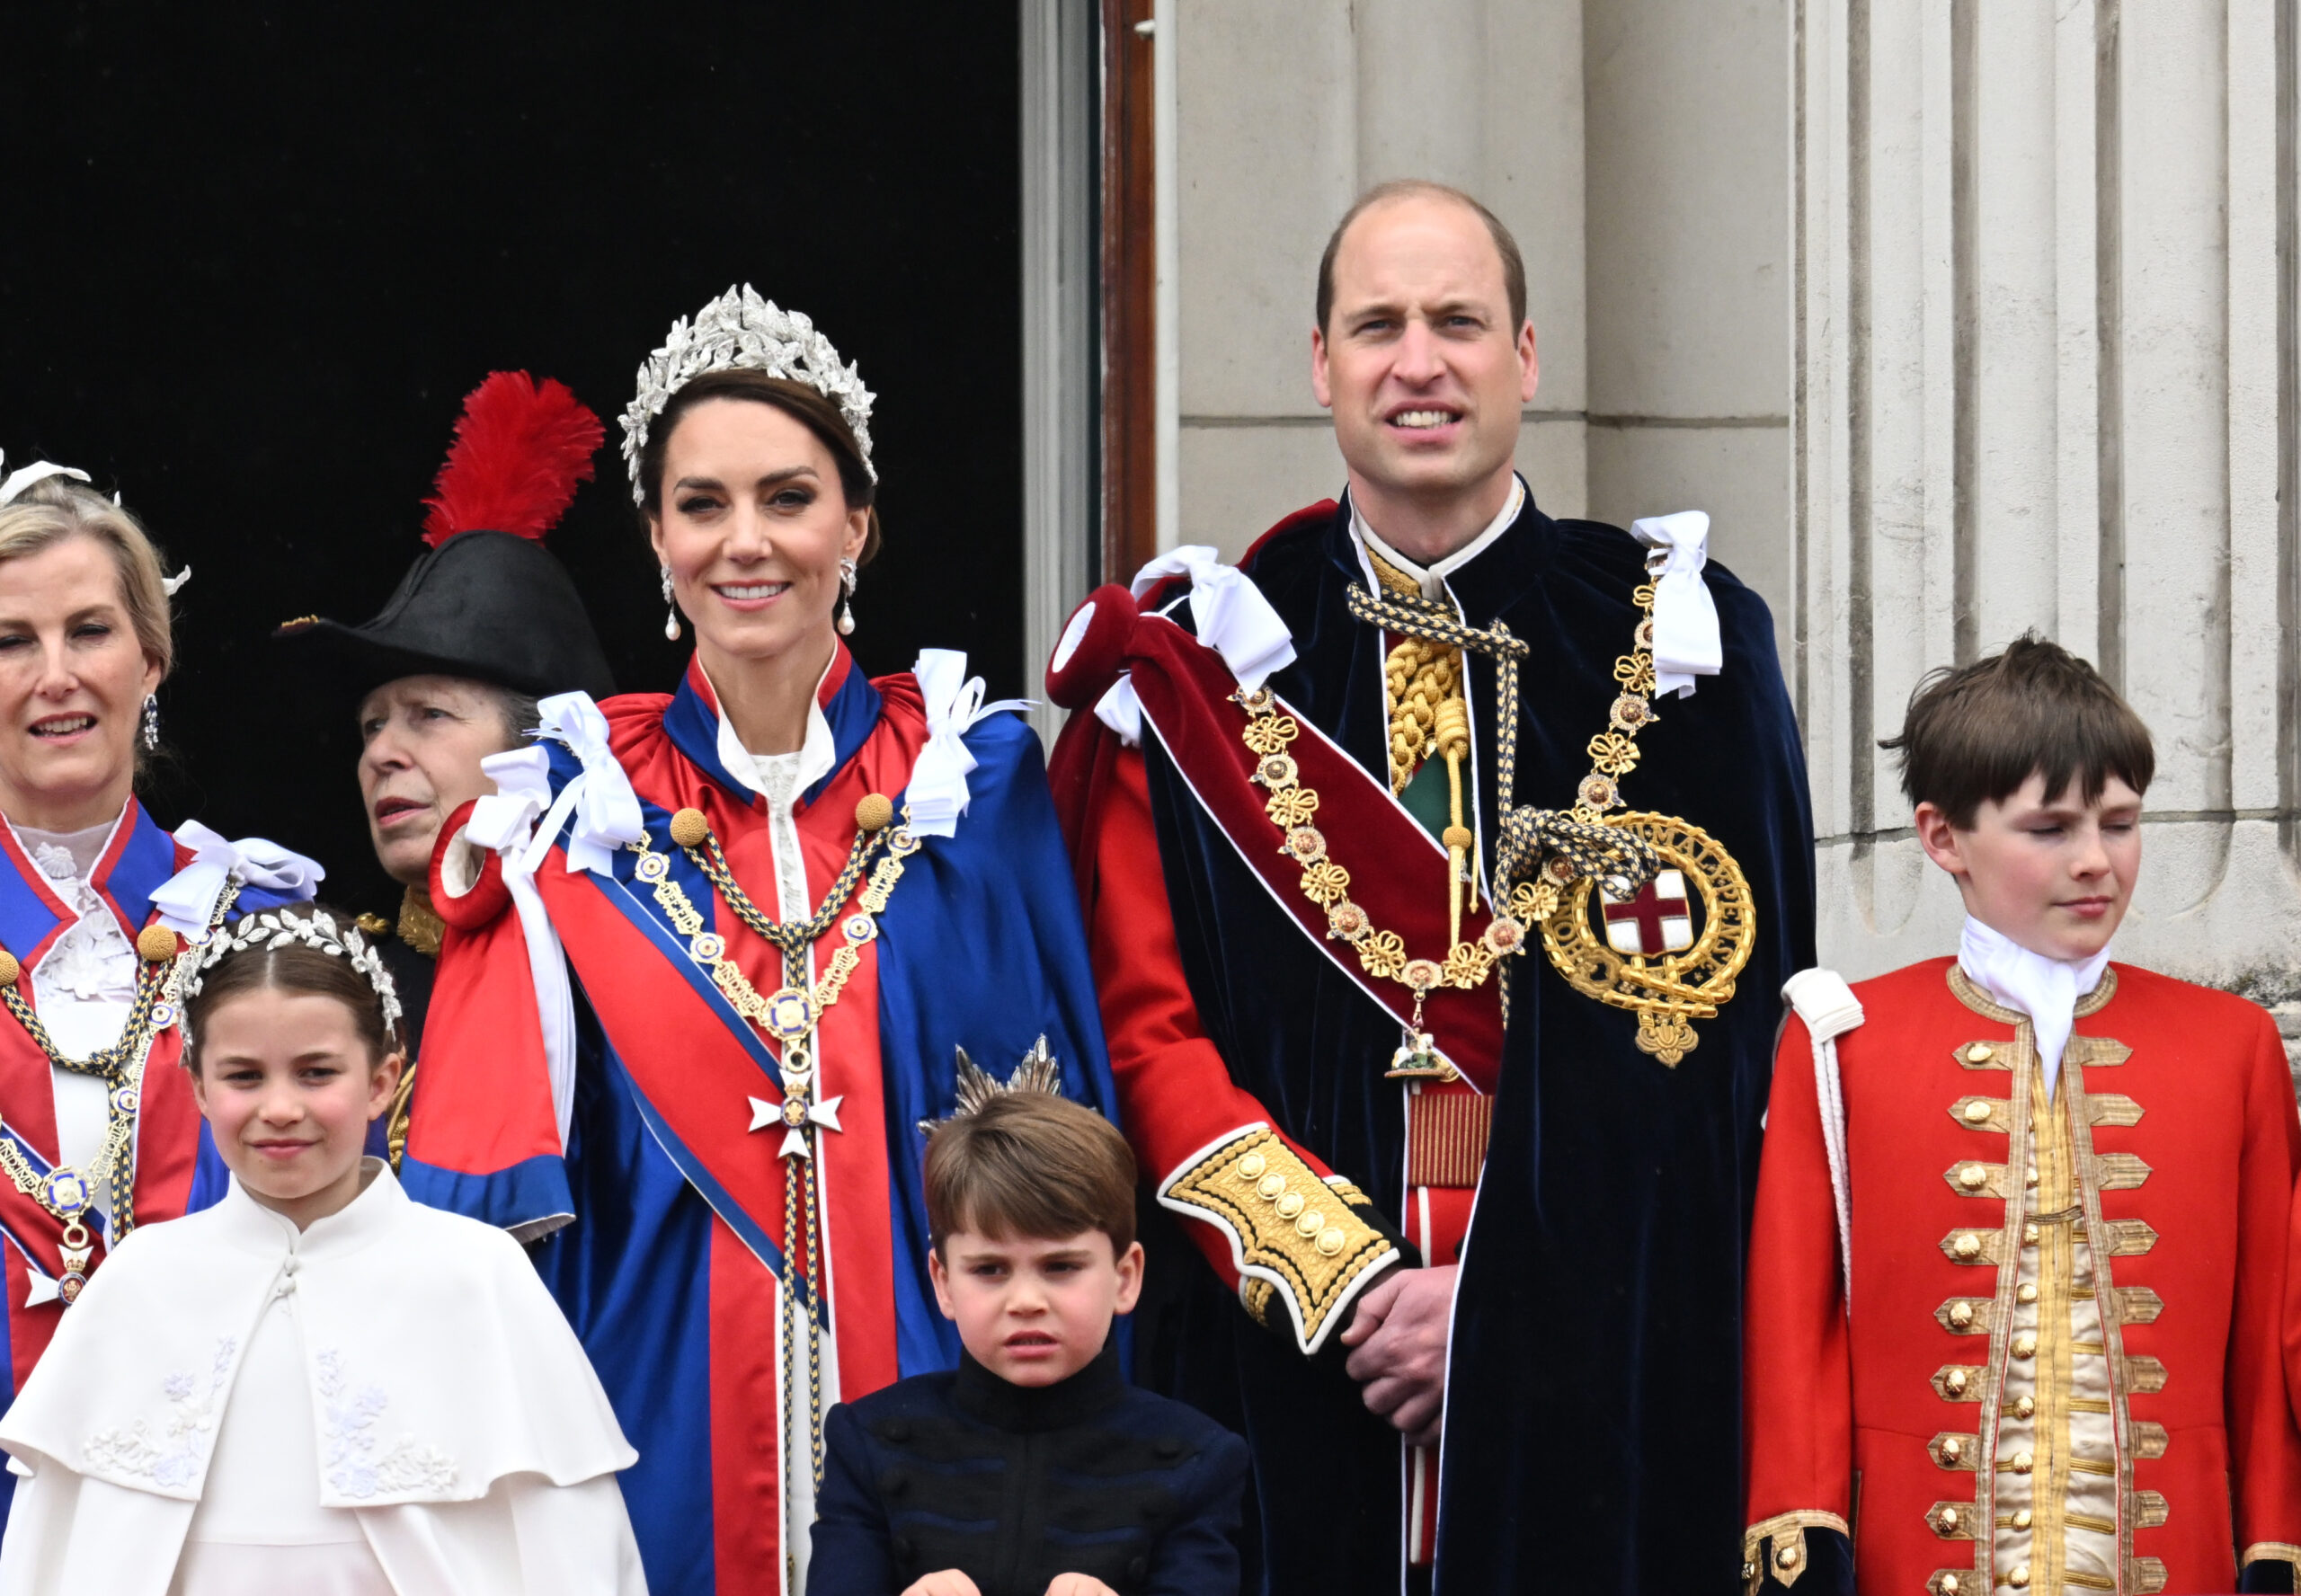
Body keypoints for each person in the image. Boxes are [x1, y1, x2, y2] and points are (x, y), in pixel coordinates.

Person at [1043, 182, 1816, 1592]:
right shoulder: (1203, 662)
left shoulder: (1690, 648)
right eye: (1378, 324)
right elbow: (1145, 1033)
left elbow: (1718, 1060)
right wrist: (1351, 1287)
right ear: (1320, 364)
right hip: (1288, 1375)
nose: (1420, 361)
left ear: (1524, 357)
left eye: (1458, 322)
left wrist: (1503, 1308)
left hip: (1603, 1365)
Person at [403, 287, 1122, 1596]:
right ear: (658, 541)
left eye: (789, 498)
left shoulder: (978, 778)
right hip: (655, 1436)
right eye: (703, 505)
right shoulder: (576, 816)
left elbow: (1065, 1161)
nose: (748, 543)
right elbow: (481, 1219)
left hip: (947, 1444)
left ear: (857, 523)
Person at [1743, 637, 2301, 1596]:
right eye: (2049, 829)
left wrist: (2273, 1549)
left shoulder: (2233, 1045)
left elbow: (2261, 1350)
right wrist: (1803, 1539)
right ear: (1942, 837)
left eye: (2119, 823)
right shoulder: (1839, 1042)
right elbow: (1795, 1330)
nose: (2095, 862)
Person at [0, 901, 646, 1594]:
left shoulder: (478, 1274)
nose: (280, 1107)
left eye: (316, 1073)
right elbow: (55, 1554)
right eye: (244, 1076)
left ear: (380, 1082)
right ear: (199, 1089)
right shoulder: (138, 1279)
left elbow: (570, 1552)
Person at [0, 459, 322, 1531]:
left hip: (223, 1495)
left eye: (89, 631)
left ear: (151, 657)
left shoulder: (249, 920)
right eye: (11, 641)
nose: (55, 675)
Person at [274, 370, 618, 1159]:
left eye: (429, 715)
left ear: (543, 750)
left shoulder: (631, 965)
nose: (380, 754)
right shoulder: (337, 986)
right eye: (370, 727)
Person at [807, 1077, 1247, 1596]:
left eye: (1060, 1266)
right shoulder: (868, 1442)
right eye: (990, 1270)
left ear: (1125, 1278)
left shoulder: (1197, 1459)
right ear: (944, 1283)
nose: (1025, 1301)